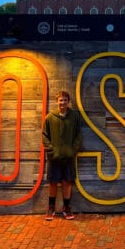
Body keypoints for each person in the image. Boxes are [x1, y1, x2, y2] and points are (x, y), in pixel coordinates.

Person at [42, 90, 82, 221]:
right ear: (57, 101)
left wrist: (73, 150)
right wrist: (51, 150)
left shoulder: (74, 116)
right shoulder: (50, 117)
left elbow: (78, 135)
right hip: (54, 157)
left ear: (68, 101)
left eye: (65, 100)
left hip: (68, 157)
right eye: (60, 100)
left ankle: (66, 207)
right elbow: (44, 136)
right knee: (53, 182)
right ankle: (51, 208)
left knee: (67, 182)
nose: (63, 102)